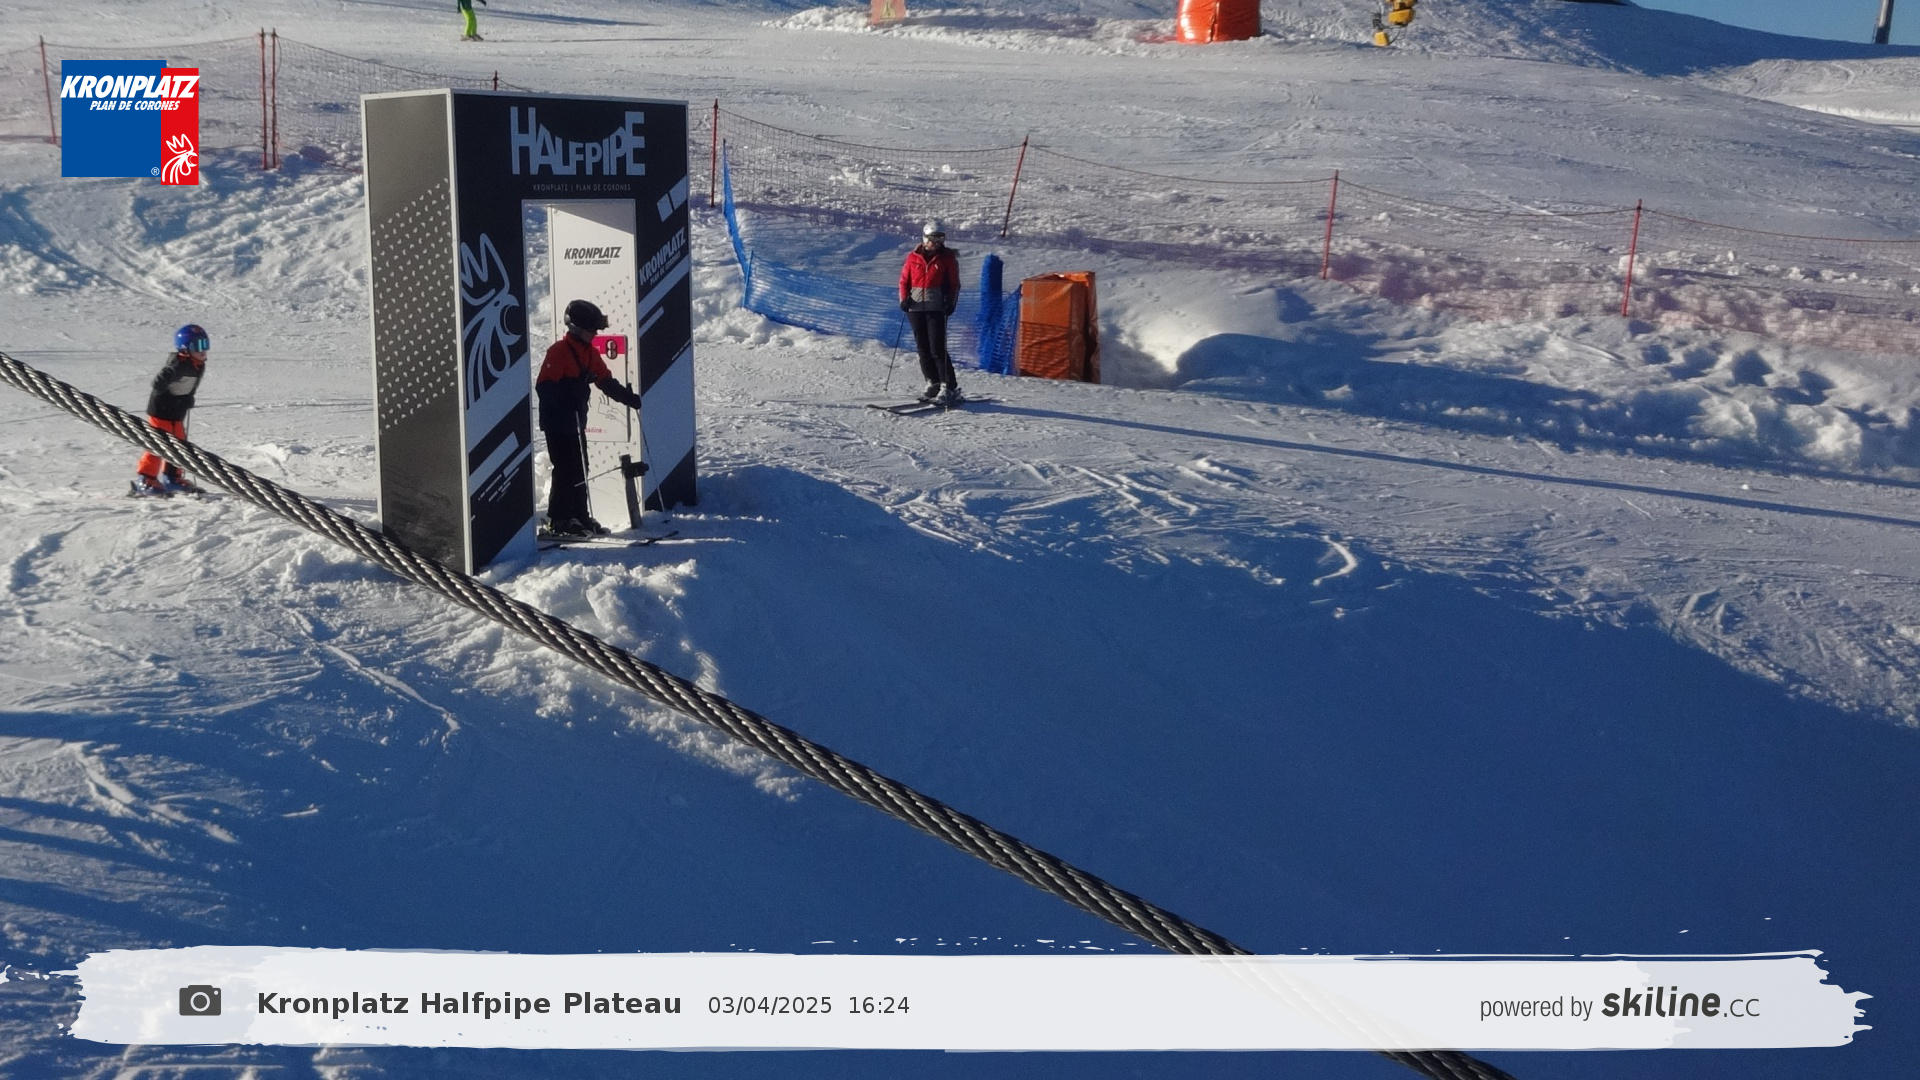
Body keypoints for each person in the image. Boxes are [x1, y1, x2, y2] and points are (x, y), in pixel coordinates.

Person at [536, 299, 642, 537]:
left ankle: (579, 515)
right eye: (591, 330)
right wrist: (567, 395)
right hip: (557, 422)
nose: (595, 334)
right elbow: (544, 388)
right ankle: (560, 519)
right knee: (565, 468)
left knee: (581, 467)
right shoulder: (559, 352)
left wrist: (628, 398)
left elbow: (605, 380)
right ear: (576, 328)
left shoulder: (589, 353)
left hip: (576, 421)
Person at [133, 324, 209, 496]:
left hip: (176, 411)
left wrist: (188, 397)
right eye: (198, 346)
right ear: (185, 349)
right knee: (158, 444)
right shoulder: (178, 364)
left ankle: (172, 478)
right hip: (162, 410)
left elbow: (190, 385)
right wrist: (166, 379)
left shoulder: (198, 366)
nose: (203, 351)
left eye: (205, 345)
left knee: (179, 445)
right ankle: (145, 479)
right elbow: (159, 383)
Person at [898, 219, 962, 405]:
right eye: (933, 239)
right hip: (915, 307)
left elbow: (954, 284)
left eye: (940, 239)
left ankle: (948, 386)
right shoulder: (913, 257)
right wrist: (904, 299)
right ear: (925, 238)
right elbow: (904, 281)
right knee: (923, 348)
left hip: (936, 307)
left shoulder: (947, 258)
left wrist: (950, 303)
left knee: (937, 348)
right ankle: (932, 381)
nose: (936, 243)